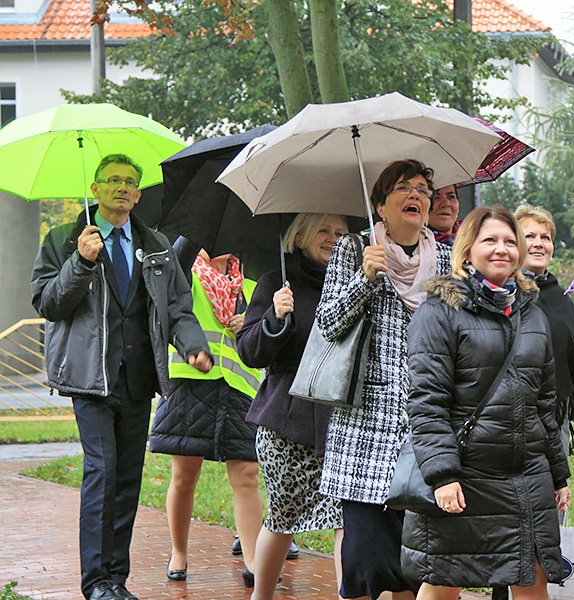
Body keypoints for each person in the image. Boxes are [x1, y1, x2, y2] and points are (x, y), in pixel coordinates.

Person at [31, 154, 212, 600]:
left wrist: (192, 346)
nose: (123, 188)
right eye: (113, 180)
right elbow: (48, 303)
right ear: (95, 189)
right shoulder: (64, 239)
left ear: (137, 192)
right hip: (90, 380)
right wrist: (81, 261)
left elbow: (176, 308)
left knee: (128, 478)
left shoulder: (155, 245)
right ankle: (95, 582)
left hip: (137, 380)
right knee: (102, 471)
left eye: (131, 182)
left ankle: (116, 579)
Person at [402, 206, 571, 600]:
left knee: (533, 580)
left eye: (510, 241)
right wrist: (443, 476)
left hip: (526, 476)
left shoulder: (532, 313)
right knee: (445, 580)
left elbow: (544, 402)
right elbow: (428, 402)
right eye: (490, 240)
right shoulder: (439, 312)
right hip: (467, 475)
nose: (502, 250)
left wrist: (557, 475)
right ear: (467, 251)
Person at [316, 159, 452, 600]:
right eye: (403, 188)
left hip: (426, 426)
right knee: (366, 562)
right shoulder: (355, 250)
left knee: (413, 561)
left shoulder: (448, 261)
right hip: (365, 428)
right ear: (380, 204)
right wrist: (363, 279)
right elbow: (328, 324)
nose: (416, 195)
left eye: (422, 190)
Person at [236, 213, 349, 599]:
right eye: (323, 230)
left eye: (340, 232)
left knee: (346, 518)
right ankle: (261, 595)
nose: (333, 238)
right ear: (299, 237)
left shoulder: (354, 282)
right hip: (288, 421)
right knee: (284, 517)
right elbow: (249, 350)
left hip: (341, 421)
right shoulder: (275, 281)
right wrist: (275, 316)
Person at [148, 250, 263, 586]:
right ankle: (179, 552)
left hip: (240, 387)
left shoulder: (251, 283)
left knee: (247, 474)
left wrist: (252, 322)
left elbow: (266, 330)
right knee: (185, 475)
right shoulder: (185, 272)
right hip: (191, 384)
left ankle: (254, 560)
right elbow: (172, 316)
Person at [515, 204, 574, 454]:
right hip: (510, 420)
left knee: (554, 491)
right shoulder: (503, 293)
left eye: (545, 237)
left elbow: (573, 364)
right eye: (529, 236)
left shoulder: (561, 298)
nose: (538, 243)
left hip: (555, 422)